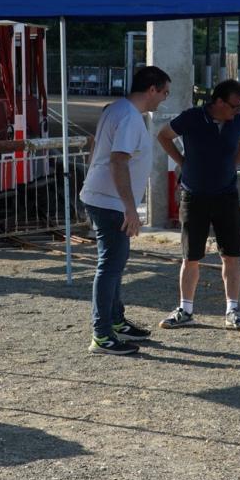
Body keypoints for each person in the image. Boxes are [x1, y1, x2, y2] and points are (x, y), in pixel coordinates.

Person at [80, 65, 172, 355]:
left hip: (103, 197)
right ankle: (102, 335)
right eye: (164, 93)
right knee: (110, 267)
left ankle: (115, 321)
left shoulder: (117, 108)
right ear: (152, 89)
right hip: (111, 202)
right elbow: (118, 161)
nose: (164, 99)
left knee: (114, 265)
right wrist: (131, 209)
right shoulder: (130, 118)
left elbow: (100, 149)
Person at [155, 79, 240, 330]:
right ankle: (185, 310)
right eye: (234, 106)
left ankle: (233, 310)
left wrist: (233, 165)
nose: (237, 112)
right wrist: (182, 161)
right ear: (218, 101)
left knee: (231, 255)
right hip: (194, 195)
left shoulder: (237, 121)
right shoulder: (192, 117)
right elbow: (163, 135)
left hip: (227, 195)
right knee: (191, 256)